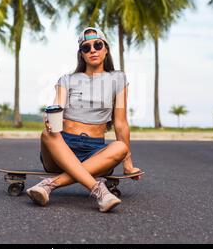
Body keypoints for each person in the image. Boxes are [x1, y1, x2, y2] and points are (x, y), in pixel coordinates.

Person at [26, 27, 142, 213]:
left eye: (97, 45)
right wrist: (51, 117)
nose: (93, 50)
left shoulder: (117, 79)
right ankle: (99, 191)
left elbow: (120, 122)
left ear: (106, 49)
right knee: (47, 134)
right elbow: (58, 106)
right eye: (86, 48)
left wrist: (128, 165)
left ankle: (48, 186)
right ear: (81, 54)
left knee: (121, 147)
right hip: (62, 147)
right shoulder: (67, 79)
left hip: (94, 151)